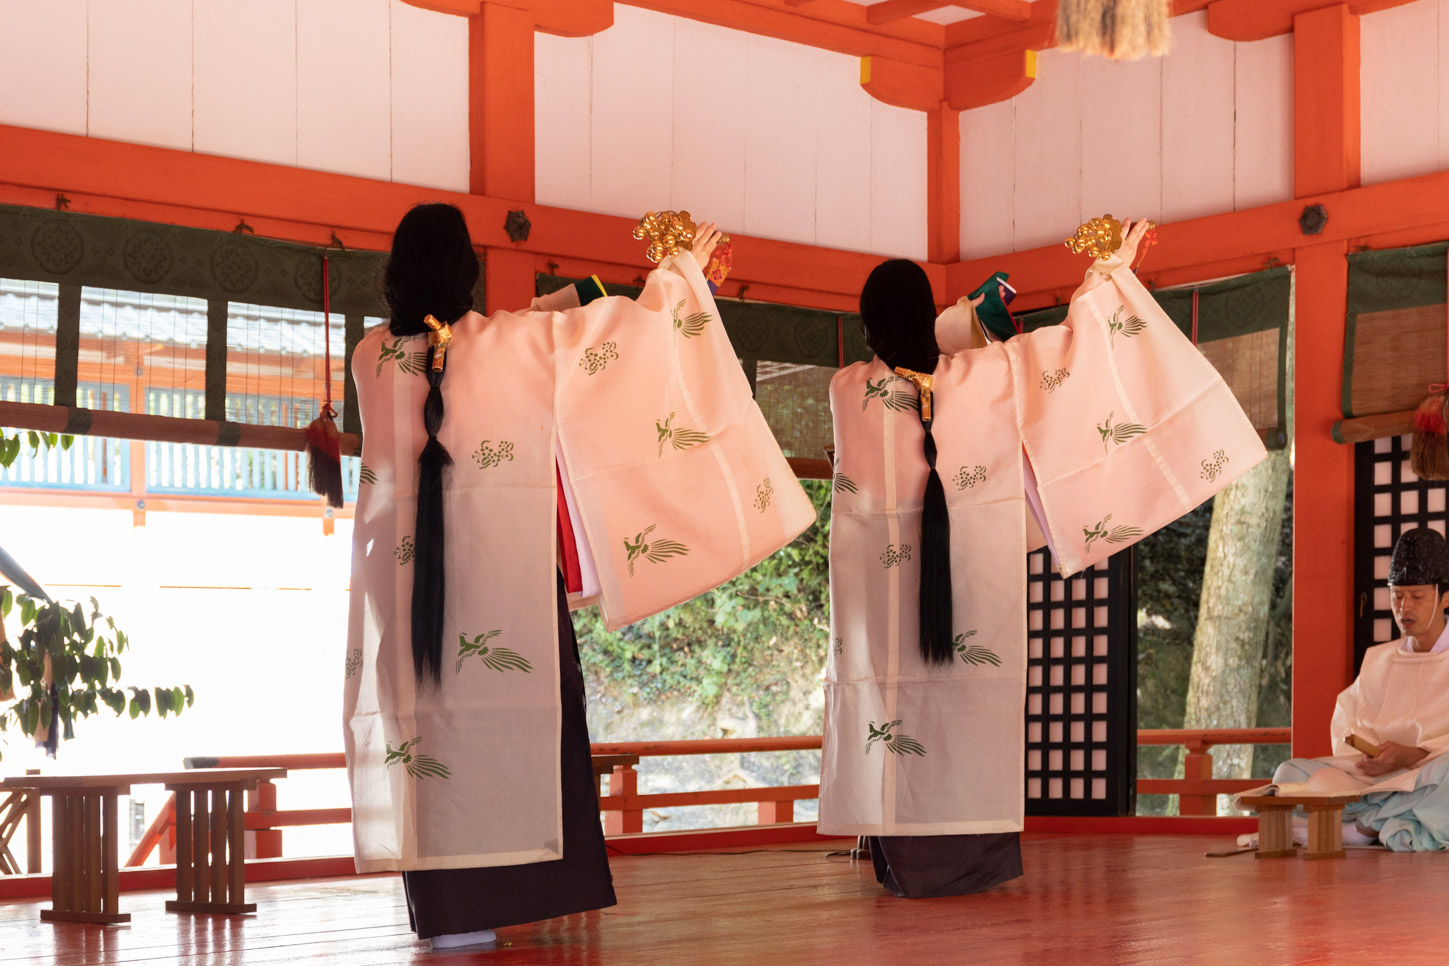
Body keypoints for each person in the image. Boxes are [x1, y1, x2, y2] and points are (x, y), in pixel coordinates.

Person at [343, 203, 815, 948]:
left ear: (395, 274)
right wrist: (679, 274)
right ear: (465, 271)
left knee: (428, 732)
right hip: (509, 585)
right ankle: (513, 890)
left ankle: (445, 914)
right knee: (519, 718)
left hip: (405, 592)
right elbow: (623, 338)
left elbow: (480, 345)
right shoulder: (517, 343)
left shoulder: (371, 356)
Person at [820, 219, 1267, 897]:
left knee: (890, 715)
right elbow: (1061, 355)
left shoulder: (847, 390)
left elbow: (914, 353)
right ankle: (970, 860)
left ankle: (898, 857)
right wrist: (1104, 278)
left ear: (867, 322)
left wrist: (967, 317)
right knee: (970, 706)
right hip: (971, 585)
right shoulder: (980, 375)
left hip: (877, 609)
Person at [1269, 526, 1449, 851]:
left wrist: (1416, 754)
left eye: (1417, 596)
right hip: (1374, 779)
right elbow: (1346, 727)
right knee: (1289, 772)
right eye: (1397, 595)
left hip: (1427, 776)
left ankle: (1361, 829)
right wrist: (1369, 756)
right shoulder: (1378, 659)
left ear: (1445, 597)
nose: (1404, 607)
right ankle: (1385, 822)